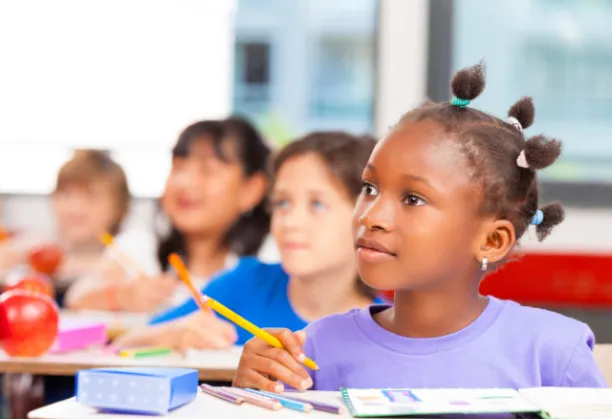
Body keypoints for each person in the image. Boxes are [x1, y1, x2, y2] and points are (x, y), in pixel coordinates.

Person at [233, 63, 607, 393]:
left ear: (492, 240)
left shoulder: (554, 354)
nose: (371, 215)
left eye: (412, 198)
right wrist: (250, 396)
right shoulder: (314, 349)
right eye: (369, 188)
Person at [114, 132, 384, 352]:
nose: (289, 221)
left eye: (317, 204)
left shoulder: (390, 323)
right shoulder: (243, 284)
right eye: (282, 202)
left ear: (366, 216)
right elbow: (124, 345)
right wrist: (173, 335)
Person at [64, 117, 276, 314]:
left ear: (252, 189)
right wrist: (121, 296)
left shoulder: (271, 259)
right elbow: (76, 299)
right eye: (178, 168)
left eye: (207, 170)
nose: (184, 183)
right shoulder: (138, 249)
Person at [0, 149, 130, 285]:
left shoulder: (125, 251)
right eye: (66, 195)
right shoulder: (36, 244)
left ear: (119, 208)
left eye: (91, 196)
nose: (75, 206)